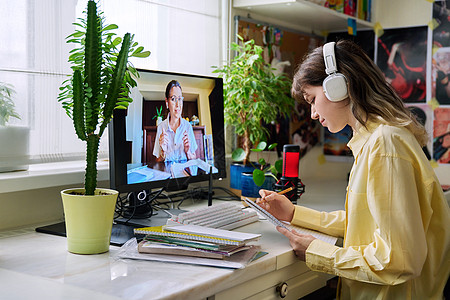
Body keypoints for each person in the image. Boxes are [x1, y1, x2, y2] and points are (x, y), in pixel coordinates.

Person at [257, 40, 450, 299]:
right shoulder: (375, 140)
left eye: (312, 100)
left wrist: (319, 252)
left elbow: (400, 260)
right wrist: (293, 213)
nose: (313, 113)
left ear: (338, 87)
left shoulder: (385, 144)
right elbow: (367, 224)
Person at [153, 80, 197, 162]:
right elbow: (157, 160)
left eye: (180, 99)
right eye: (173, 99)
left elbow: (194, 157)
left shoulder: (188, 126)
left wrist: (188, 152)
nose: (178, 105)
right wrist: (163, 151)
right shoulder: (161, 127)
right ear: (167, 102)